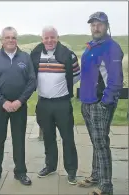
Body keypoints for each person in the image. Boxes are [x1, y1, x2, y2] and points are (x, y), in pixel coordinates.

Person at [0, 26, 36, 186]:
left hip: (20, 106)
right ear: (2, 40)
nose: (11, 40)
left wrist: (20, 101)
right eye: (7, 37)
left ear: (16, 40)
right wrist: (3, 102)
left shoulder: (25, 57)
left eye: (13, 37)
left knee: (19, 139)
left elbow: (32, 81)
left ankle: (20, 172)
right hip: (0, 106)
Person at [78, 12, 124, 195]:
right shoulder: (92, 46)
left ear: (106, 26)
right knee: (96, 142)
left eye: (99, 24)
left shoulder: (111, 47)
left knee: (101, 144)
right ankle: (96, 176)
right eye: (93, 24)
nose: (95, 27)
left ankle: (106, 187)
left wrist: (105, 102)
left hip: (100, 103)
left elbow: (116, 79)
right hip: (87, 101)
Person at [30, 26, 80, 185]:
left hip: (62, 103)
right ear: (42, 39)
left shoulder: (68, 55)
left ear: (57, 38)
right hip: (43, 102)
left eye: (52, 37)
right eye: (46, 37)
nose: (49, 40)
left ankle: (71, 171)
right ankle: (50, 166)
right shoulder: (36, 53)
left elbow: (76, 76)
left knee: (68, 138)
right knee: (48, 137)